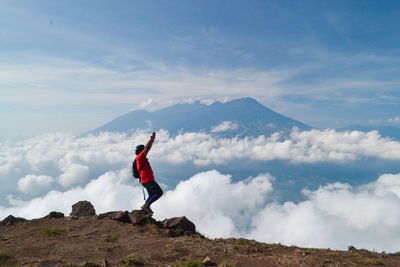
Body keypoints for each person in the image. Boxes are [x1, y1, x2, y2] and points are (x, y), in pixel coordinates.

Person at [135, 132, 163, 214]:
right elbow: (147, 147)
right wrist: (152, 139)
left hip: (145, 180)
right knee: (159, 192)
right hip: (148, 180)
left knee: (151, 195)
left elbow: (147, 148)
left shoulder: (139, 158)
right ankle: (146, 206)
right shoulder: (140, 157)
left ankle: (144, 210)